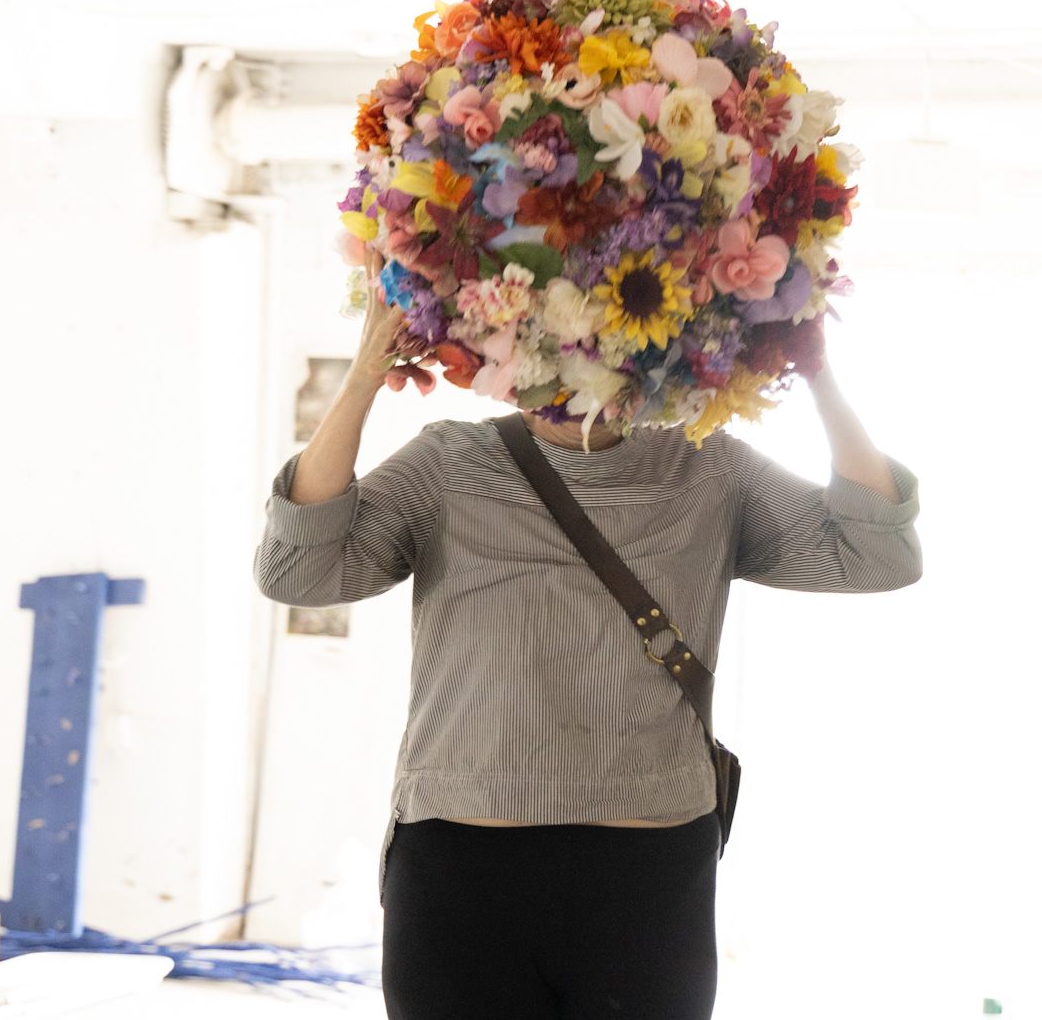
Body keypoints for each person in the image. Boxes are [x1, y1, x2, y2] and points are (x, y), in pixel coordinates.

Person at [253, 266, 922, 1020]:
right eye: (553, 355)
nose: (579, 386)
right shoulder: (448, 464)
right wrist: (363, 380)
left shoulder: (707, 467)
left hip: (645, 874)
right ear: (507, 360)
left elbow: (879, 553)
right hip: (462, 866)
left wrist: (817, 372)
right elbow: (297, 568)